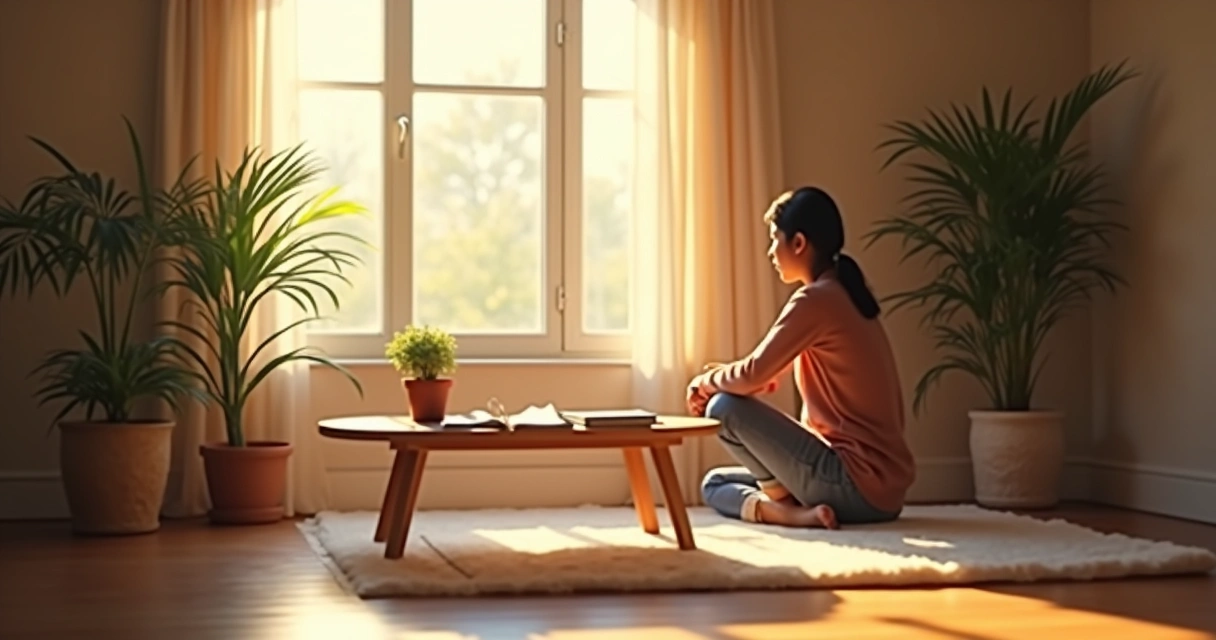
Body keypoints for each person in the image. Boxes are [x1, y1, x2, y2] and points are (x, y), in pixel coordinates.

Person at [686, 186, 915, 529]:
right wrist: (750, 380)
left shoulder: (816, 299)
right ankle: (791, 510)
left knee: (722, 408)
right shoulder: (844, 293)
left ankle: (790, 514)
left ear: (798, 243)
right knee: (715, 483)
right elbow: (764, 373)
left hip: (854, 484)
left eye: (775, 239)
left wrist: (704, 383)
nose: (770, 252)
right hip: (883, 493)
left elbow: (752, 373)